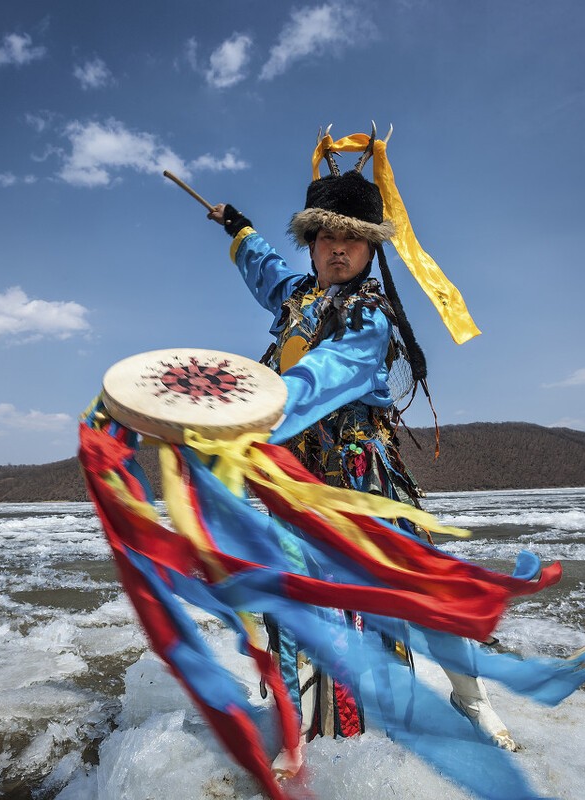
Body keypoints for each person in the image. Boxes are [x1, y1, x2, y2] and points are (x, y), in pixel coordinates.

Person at [206, 131, 521, 753]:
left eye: (352, 239)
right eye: (328, 238)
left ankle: (469, 697)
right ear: (314, 242)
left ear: (370, 250)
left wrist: (252, 409)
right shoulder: (296, 295)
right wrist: (237, 227)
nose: (339, 250)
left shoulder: (368, 316)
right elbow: (264, 267)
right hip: (296, 477)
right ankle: (310, 730)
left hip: (361, 476)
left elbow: (323, 376)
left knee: (422, 587)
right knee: (296, 597)